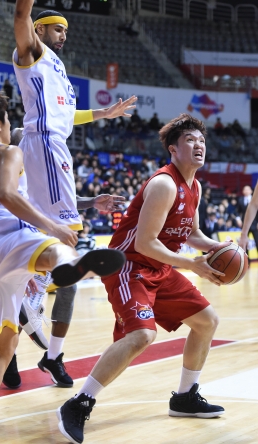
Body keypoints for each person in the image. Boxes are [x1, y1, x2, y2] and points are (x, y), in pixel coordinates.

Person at [0, 90, 125, 444]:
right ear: (0, 125)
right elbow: (7, 196)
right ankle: (68, 265)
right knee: (55, 246)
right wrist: (53, 226)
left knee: (3, 350)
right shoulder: (8, 150)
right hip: (0, 231)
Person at [57, 113, 226, 444]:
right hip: (129, 265)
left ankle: (185, 397)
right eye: (190, 140)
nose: (198, 145)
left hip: (160, 267)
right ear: (173, 149)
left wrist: (219, 247)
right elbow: (144, 242)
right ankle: (79, 403)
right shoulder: (164, 183)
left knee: (207, 321)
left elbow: (190, 234)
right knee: (141, 336)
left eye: (202, 141)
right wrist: (191, 266)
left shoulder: (195, 186)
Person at [11, 0, 137, 389]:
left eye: (66, 29)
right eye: (57, 28)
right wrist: (27, 9)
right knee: (68, 238)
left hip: (55, 145)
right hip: (45, 143)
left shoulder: (58, 70)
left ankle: (51, 351)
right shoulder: (31, 52)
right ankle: (32, 290)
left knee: (69, 254)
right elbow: (20, 16)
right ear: (41, 30)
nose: (64, 34)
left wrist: (104, 115)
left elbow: (68, 114)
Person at [2, 127, 126, 390]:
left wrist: (93, 201)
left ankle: (53, 357)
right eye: (24, 137)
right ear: (17, 147)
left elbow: (67, 200)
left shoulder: (47, 168)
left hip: (56, 238)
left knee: (68, 287)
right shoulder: (12, 174)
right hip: (25, 241)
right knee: (21, 305)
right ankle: (8, 354)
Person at [237, 185, 258, 261]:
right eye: (244, 189)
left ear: (251, 191)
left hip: (255, 224)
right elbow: (237, 212)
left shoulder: (252, 198)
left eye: (247, 189)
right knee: (245, 244)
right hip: (246, 224)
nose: (246, 191)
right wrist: (244, 232)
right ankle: (246, 261)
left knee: (257, 241)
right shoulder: (240, 200)